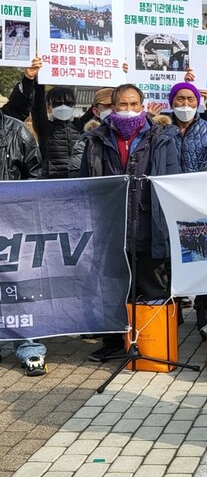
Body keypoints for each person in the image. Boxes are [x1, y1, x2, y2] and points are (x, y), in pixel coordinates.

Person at [79, 84, 180, 361]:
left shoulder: (162, 137)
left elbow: (172, 180)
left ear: (143, 104)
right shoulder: (95, 139)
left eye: (134, 104)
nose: (128, 110)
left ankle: (154, 345)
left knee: (152, 285)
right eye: (122, 105)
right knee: (112, 289)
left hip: (149, 223)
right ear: (112, 107)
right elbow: (85, 183)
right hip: (110, 226)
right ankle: (114, 344)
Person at [0, 92, 45, 375]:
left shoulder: (17, 131)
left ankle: (30, 349)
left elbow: (37, 176)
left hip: (12, 224)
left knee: (20, 287)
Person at [31, 84, 93, 179]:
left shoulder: (79, 125)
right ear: (49, 106)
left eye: (68, 103)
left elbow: (98, 104)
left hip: (77, 180)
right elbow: (38, 105)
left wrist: (118, 74)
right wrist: (38, 80)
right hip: (52, 182)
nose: (63, 106)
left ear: (73, 106)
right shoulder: (45, 127)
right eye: (58, 103)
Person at [168, 82, 207, 172]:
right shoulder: (161, 130)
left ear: (197, 103)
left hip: (201, 185)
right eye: (180, 99)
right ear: (171, 104)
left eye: (190, 99)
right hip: (168, 185)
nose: (185, 104)